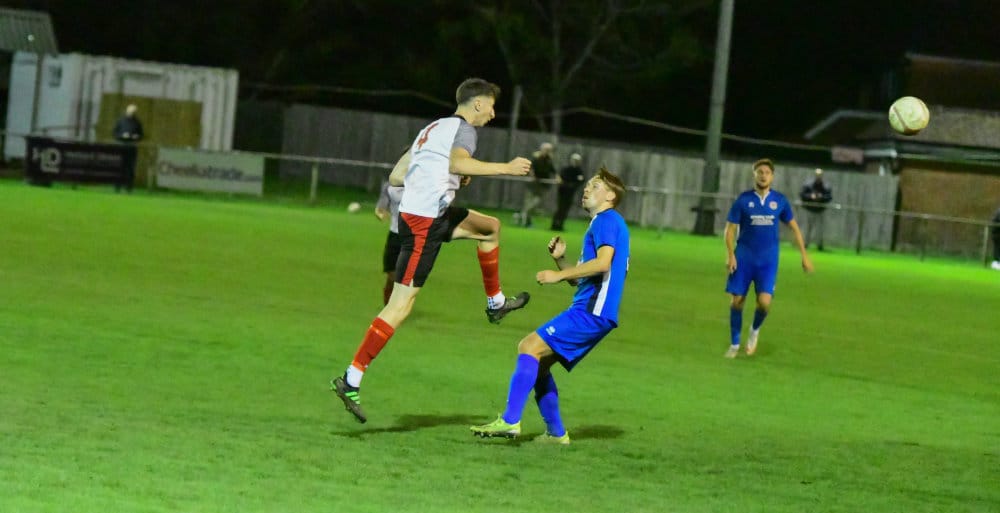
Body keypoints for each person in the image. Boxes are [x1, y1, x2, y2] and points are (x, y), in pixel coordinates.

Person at [331, 78, 533, 423]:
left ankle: (496, 302)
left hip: (427, 216)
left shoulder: (433, 128)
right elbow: (457, 163)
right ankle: (351, 379)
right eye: (491, 106)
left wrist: (441, 175)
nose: (493, 114)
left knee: (490, 228)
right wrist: (507, 168)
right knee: (400, 306)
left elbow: (397, 175)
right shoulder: (465, 130)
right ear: (478, 104)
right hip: (425, 224)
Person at [470, 167, 629, 444]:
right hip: (594, 311)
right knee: (540, 364)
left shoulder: (606, 220)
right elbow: (582, 278)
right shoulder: (604, 223)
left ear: (610, 196)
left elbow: (603, 264)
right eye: (587, 185)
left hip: (592, 311)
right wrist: (561, 260)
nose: (586, 189)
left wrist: (557, 275)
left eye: (595, 186)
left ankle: (510, 421)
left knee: (529, 346)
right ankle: (556, 434)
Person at [725, 158, 813, 358]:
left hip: (767, 261)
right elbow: (729, 230)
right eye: (760, 172)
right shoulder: (743, 200)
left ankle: (754, 330)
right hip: (744, 257)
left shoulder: (780, 201)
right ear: (754, 175)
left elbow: (794, 228)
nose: (763, 175)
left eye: (767, 172)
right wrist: (730, 256)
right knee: (737, 301)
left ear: (772, 176)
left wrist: (804, 256)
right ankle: (734, 344)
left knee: (764, 303)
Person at [374, 179, 404, 305]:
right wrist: (380, 213)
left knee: (403, 275)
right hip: (394, 234)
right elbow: (380, 207)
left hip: (412, 236)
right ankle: (389, 304)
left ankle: (396, 305)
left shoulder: (420, 186)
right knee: (391, 274)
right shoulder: (390, 186)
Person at [518, 142, 556, 228]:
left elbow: (552, 170)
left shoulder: (549, 160)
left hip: (542, 185)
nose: (548, 151)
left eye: (549, 150)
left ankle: (522, 215)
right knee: (528, 202)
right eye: (546, 149)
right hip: (533, 184)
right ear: (542, 149)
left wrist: (557, 177)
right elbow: (531, 168)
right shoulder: (536, 157)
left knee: (535, 203)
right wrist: (533, 176)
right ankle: (526, 221)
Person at [112, 104, 143, 192]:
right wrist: (122, 135)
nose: (132, 113)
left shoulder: (137, 122)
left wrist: (137, 137)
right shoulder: (121, 121)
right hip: (121, 146)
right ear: (127, 111)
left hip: (132, 147)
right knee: (119, 167)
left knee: (131, 168)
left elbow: (141, 134)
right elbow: (115, 133)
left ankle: (129, 187)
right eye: (131, 111)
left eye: (134, 111)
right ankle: (117, 186)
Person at [799, 168, 833, 251]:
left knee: (820, 229)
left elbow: (829, 197)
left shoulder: (825, 186)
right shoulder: (808, 185)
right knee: (807, 228)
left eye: (820, 175)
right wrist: (811, 196)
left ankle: (819, 245)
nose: (818, 176)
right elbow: (802, 195)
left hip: (820, 210)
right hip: (809, 209)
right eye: (817, 175)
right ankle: (805, 244)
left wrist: (821, 197)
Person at [550, 153, 585, 231]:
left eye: (577, 161)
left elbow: (581, 180)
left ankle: (560, 225)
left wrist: (573, 185)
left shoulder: (579, 171)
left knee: (566, 209)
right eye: (574, 160)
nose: (575, 162)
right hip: (563, 191)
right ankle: (554, 225)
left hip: (571, 192)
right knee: (560, 208)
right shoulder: (566, 169)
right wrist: (565, 184)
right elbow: (561, 178)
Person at [991, 206, 1000, 270]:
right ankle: (995, 263)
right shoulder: (999, 212)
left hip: (996, 233)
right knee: (997, 248)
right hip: (997, 234)